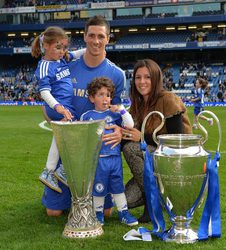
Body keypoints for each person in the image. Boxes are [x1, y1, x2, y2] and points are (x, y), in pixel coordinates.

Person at [41, 16, 125, 217]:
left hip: (97, 153)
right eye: (92, 35)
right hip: (67, 147)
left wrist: (120, 131)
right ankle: (70, 192)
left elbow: (119, 112)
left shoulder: (117, 74)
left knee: (106, 213)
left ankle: (88, 197)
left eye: (101, 36)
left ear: (107, 39)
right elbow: (47, 99)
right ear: (85, 37)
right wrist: (53, 118)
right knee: (53, 212)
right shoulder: (65, 65)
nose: (96, 40)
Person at [121, 59, 193, 223]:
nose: (142, 82)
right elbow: (129, 137)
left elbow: (177, 141)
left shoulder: (168, 99)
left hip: (172, 164)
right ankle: (159, 197)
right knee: (123, 201)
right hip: (152, 169)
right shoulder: (138, 105)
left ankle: (152, 204)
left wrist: (142, 138)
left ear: (156, 78)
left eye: (147, 77)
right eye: (138, 78)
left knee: (132, 148)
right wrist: (119, 134)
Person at [32, 26, 85, 193]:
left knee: (61, 136)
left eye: (64, 47)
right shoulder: (44, 66)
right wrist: (59, 107)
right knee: (77, 135)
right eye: (57, 47)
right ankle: (60, 171)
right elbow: (44, 92)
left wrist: (92, 47)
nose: (62, 51)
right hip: (59, 106)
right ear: (46, 45)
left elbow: (76, 54)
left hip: (65, 106)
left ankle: (51, 171)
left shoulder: (61, 59)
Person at [80, 77, 138, 226]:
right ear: (92, 98)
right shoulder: (87, 117)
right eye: (100, 94)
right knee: (98, 188)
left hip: (114, 159)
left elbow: (130, 124)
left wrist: (121, 109)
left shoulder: (115, 115)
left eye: (108, 95)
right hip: (98, 160)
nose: (105, 98)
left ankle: (123, 213)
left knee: (118, 187)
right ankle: (98, 214)